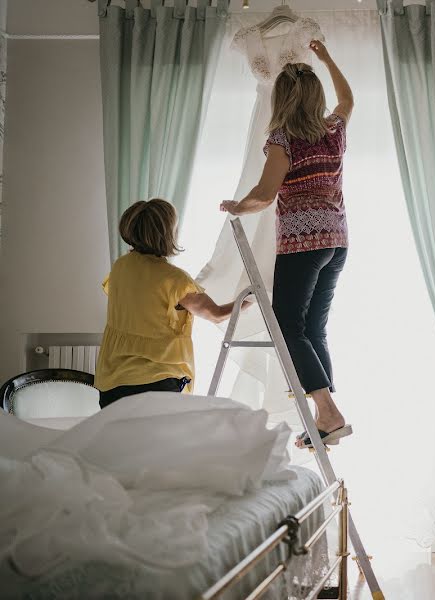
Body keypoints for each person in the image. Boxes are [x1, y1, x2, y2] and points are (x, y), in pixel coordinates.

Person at [220, 40, 353, 448]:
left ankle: (328, 411)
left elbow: (266, 192)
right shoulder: (333, 130)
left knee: (287, 325)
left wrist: (237, 206)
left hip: (303, 243)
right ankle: (325, 416)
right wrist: (328, 58)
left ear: (281, 99)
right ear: (315, 96)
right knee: (313, 327)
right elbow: (347, 98)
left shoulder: (283, 138)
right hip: (337, 241)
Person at [95, 199, 247, 408]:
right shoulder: (173, 279)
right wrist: (250, 300)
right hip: (155, 383)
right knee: (164, 441)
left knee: (120, 441)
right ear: (167, 233)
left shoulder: (120, 267)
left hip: (111, 382)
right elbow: (216, 314)